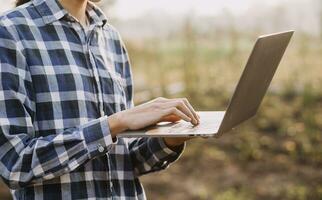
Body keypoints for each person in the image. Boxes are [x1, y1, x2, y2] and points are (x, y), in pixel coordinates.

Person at [0, 0, 200, 199]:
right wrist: (112, 125)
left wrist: (169, 139)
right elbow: (15, 165)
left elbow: (126, 160)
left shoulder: (110, 37)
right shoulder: (10, 32)